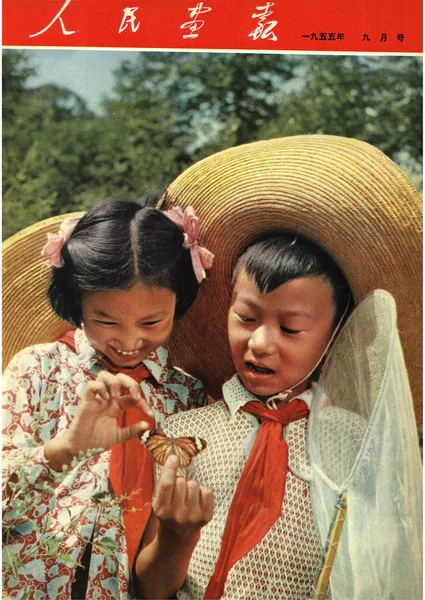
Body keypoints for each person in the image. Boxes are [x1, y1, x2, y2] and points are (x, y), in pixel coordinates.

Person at [134, 135, 422, 599]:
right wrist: (176, 537)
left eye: (291, 329)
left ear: (336, 334)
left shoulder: (358, 446)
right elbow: (149, 588)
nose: (261, 343)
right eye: (246, 318)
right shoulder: (182, 436)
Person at [2, 194, 214, 600]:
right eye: (105, 320)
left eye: (152, 321)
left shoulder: (187, 398)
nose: (131, 341)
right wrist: (64, 449)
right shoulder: (37, 370)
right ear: (77, 302)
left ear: (180, 303)